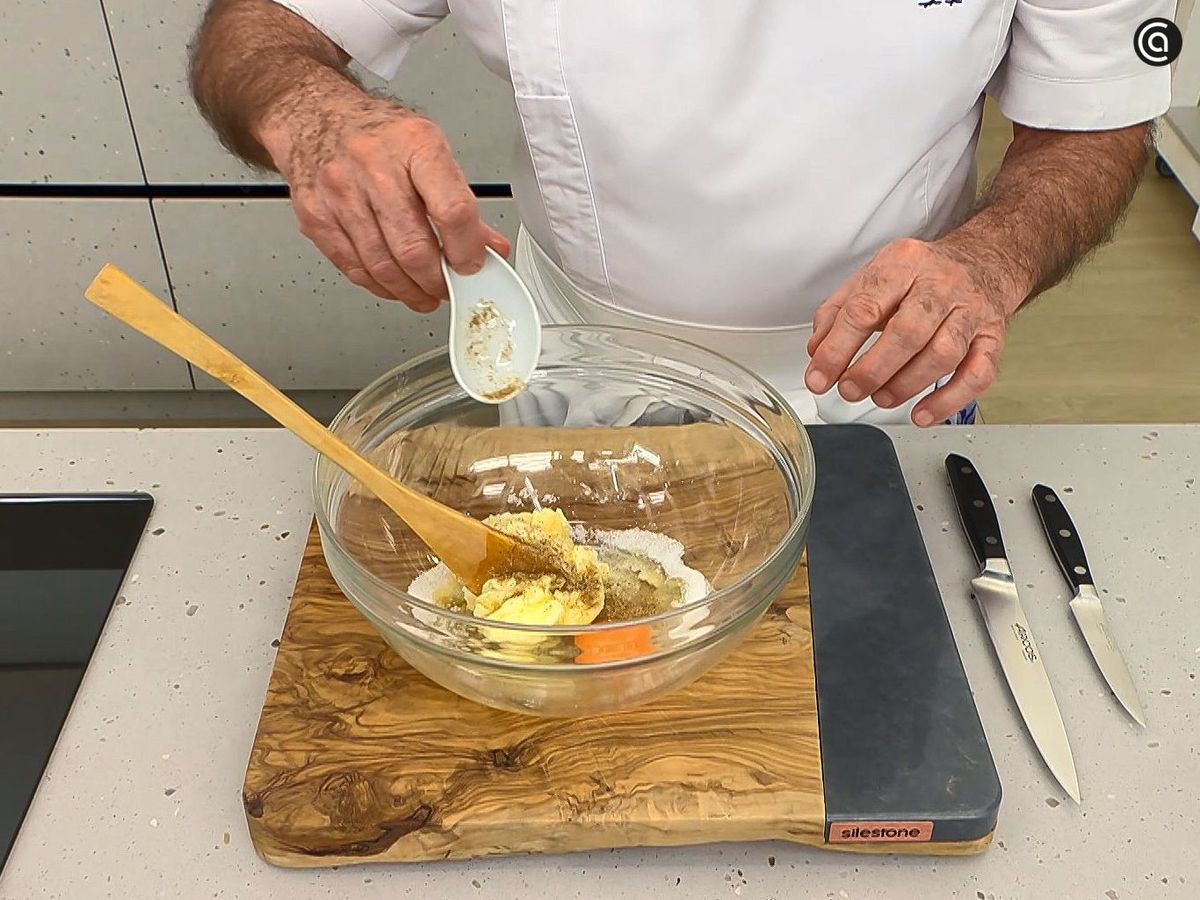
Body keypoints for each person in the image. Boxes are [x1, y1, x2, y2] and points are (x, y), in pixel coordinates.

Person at [189, 0, 1171, 426]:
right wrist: (314, 115)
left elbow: (1094, 120)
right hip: (579, 366)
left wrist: (991, 261)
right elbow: (259, 32)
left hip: (887, 376)